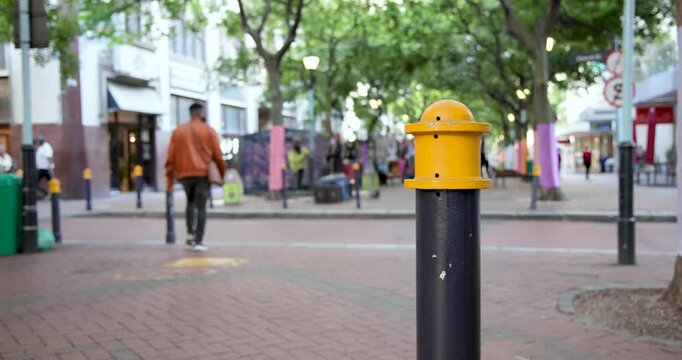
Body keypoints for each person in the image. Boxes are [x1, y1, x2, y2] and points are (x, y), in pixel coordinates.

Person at [166, 103, 226, 251]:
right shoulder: (208, 131)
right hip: (202, 174)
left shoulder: (178, 131)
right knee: (201, 207)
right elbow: (218, 156)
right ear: (201, 113)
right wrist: (222, 174)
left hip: (185, 175)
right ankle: (199, 240)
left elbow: (171, 157)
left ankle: (190, 233)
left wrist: (169, 180)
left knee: (190, 202)